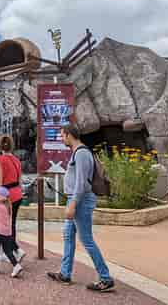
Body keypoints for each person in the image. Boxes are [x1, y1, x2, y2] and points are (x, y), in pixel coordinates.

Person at [47, 123, 114, 292]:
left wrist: (73, 204)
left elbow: (81, 183)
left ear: (69, 135)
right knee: (68, 235)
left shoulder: (82, 153)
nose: (62, 139)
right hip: (77, 199)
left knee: (87, 240)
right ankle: (65, 273)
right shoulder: (78, 152)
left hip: (80, 200)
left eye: (62, 136)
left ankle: (105, 278)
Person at [0, 135, 25, 262]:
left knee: (4, 226)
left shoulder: (0, 160)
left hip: (7, 196)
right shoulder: (16, 160)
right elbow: (20, 180)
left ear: (0, 146)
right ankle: (13, 250)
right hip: (17, 194)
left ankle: (14, 251)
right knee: (12, 224)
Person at [0, 186, 23, 277]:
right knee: (7, 250)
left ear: (0, 197)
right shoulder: (8, 205)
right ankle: (16, 265)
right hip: (7, 232)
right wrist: (1, 199)